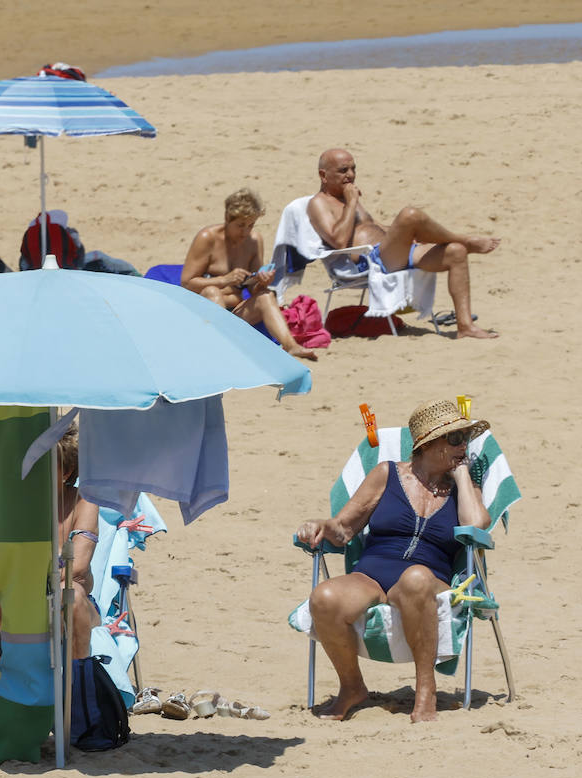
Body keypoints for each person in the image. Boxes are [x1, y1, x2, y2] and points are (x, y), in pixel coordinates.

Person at [295, 398, 491, 723]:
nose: (463, 446)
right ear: (429, 444)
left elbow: (476, 526)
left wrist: (461, 478)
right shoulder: (386, 474)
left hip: (427, 582)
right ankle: (352, 688)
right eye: (455, 439)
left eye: (466, 438)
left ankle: (425, 690)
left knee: (415, 577)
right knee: (324, 597)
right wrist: (321, 525)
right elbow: (343, 529)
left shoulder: (465, 488)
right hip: (371, 575)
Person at [307, 148, 500, 340]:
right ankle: (465, 239)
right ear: (323, 175)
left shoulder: (348, 196)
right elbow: (339, 241)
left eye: (353, 169)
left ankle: (465, 326)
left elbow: (372, 227)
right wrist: (351, 202)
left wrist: (408, 234)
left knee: (455, 252)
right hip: (371, 262)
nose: (351, 175)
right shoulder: (318, 204)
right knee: (410, 215)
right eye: (343, 170)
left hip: (393, 252)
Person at [0, 426, 101, 671]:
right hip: (18, 600)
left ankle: (75, 686)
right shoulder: (11, 503)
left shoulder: (83, 502)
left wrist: (23, 576)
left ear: (66, 471)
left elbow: (78, 567)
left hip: (69, 602)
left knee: (71, 595)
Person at [182, 188, 320, 362]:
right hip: (205, 312)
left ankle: (290, 346)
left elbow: (254, 288)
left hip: (235, 315)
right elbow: (187, 283)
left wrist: (262, 281)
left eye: (251, 225)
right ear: (227, 219)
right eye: (240, 225)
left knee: (266, 295)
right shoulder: (207, 238)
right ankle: (222, 345)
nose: (245, 232)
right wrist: (224, 280)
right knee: (212, 291)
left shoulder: (254, 241)